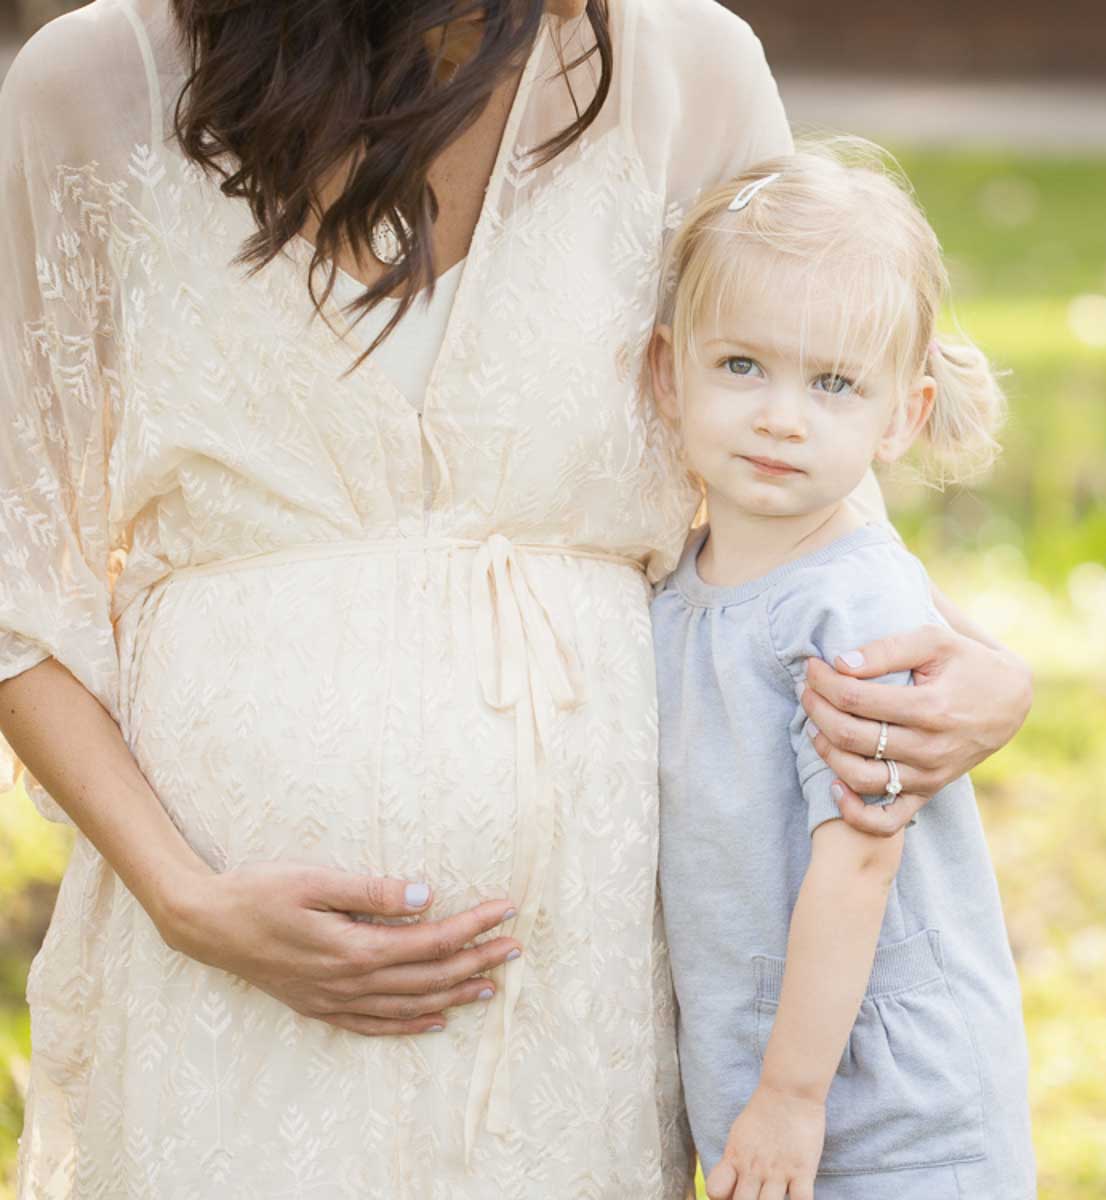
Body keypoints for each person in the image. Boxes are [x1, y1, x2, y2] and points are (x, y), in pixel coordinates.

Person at [0, 0, 1032, 1193]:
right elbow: (17, 569)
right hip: (222, 996)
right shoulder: (90, 84)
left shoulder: (686, 68)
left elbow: (800, 473)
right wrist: (187, 901)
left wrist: (988, 672)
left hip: (574, 996)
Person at [648, 139, 1037, 1200]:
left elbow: (861, 858)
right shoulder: (679, 589)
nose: (782, 415)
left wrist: (790, 1099)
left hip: (889, 1105)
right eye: (742, 366)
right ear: (664, 373)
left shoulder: (852, 607)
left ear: (898, 418)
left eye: (832, 383)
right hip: (771, 1081)